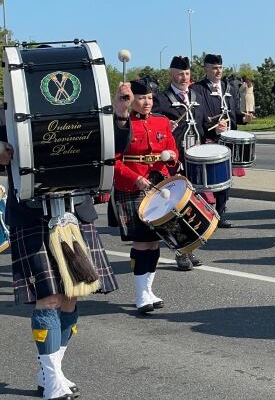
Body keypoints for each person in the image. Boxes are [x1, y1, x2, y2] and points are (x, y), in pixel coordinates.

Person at [3, 82, 133, 400]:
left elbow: (113, 145)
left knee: (71, 298)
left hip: (75, 212)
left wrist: (119, 112)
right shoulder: (7, 113)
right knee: (48, 298)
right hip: (33, 215)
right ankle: (52, 379)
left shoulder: (84, 108)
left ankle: (51, 372)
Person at [113, 80, 179, 314]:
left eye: (150, 98)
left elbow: (173, 152)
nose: (147, 102)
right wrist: (134, 178)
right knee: (141, 242)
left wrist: (171, 155)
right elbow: (113, 160)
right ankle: (140, 293)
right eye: (142, 98)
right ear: (132, 100)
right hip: (133, 186)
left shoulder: (162, 122)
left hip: (159, 186)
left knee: (154, 241)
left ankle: (149, 290)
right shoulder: (122, 124)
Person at [153, 55, 209, 270]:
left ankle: (190, 248)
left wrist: (216, 125)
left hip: (195, 158)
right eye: (179, 73)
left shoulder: (196, 95)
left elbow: (203, 123)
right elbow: (154, 128)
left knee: (192, 208)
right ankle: (180, 251)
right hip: (173, 160)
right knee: (175, 209)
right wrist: (165, 126)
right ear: (171, 74)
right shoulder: (161, 99)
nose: (184, 77)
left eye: (186, 73)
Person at [195, 53, 255, 228]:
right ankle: (205, 213)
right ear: (206, 69)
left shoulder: (228, 87)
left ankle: (220, 213)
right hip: (210, 139)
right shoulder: (198, 89)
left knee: (225, 180)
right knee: (208, 180)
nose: (218, 71)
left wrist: (244, 118)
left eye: (220, 68)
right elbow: (199, 116)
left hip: (227, 140)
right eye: (214, 68)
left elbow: (233, 112)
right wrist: (212, 125)